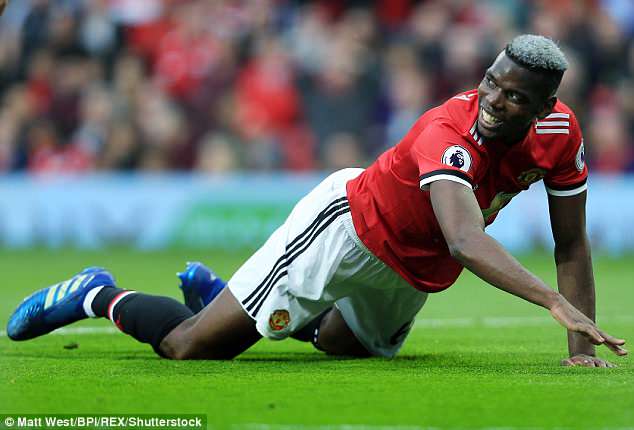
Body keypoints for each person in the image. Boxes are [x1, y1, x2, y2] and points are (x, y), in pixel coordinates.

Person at [7, 35, 628, 367]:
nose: (494, 100)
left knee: (339, 345)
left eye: (516, 97)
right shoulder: (449, 129)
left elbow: (570, 241)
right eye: (492, 82)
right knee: (190, 347)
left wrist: (580, 352)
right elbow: (466, 239)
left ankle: (230, 296)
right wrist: (551, 300)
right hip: (349, 229)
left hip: (413, 269)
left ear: (545, 108)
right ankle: (95, 293)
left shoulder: (561, 135)